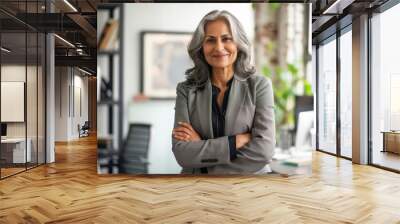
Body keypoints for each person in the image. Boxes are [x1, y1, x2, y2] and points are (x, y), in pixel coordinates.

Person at [172, 10, 275, 174]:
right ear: (201, 47)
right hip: (197, 188)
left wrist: (203, 162)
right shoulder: (185, 90)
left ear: (238, 44)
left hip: (251, 187)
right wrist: (235, 142)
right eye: (210, 40)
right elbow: (183, 154)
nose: (219, 47)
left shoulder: (259, 86)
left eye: (226, 39)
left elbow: (264, 152)